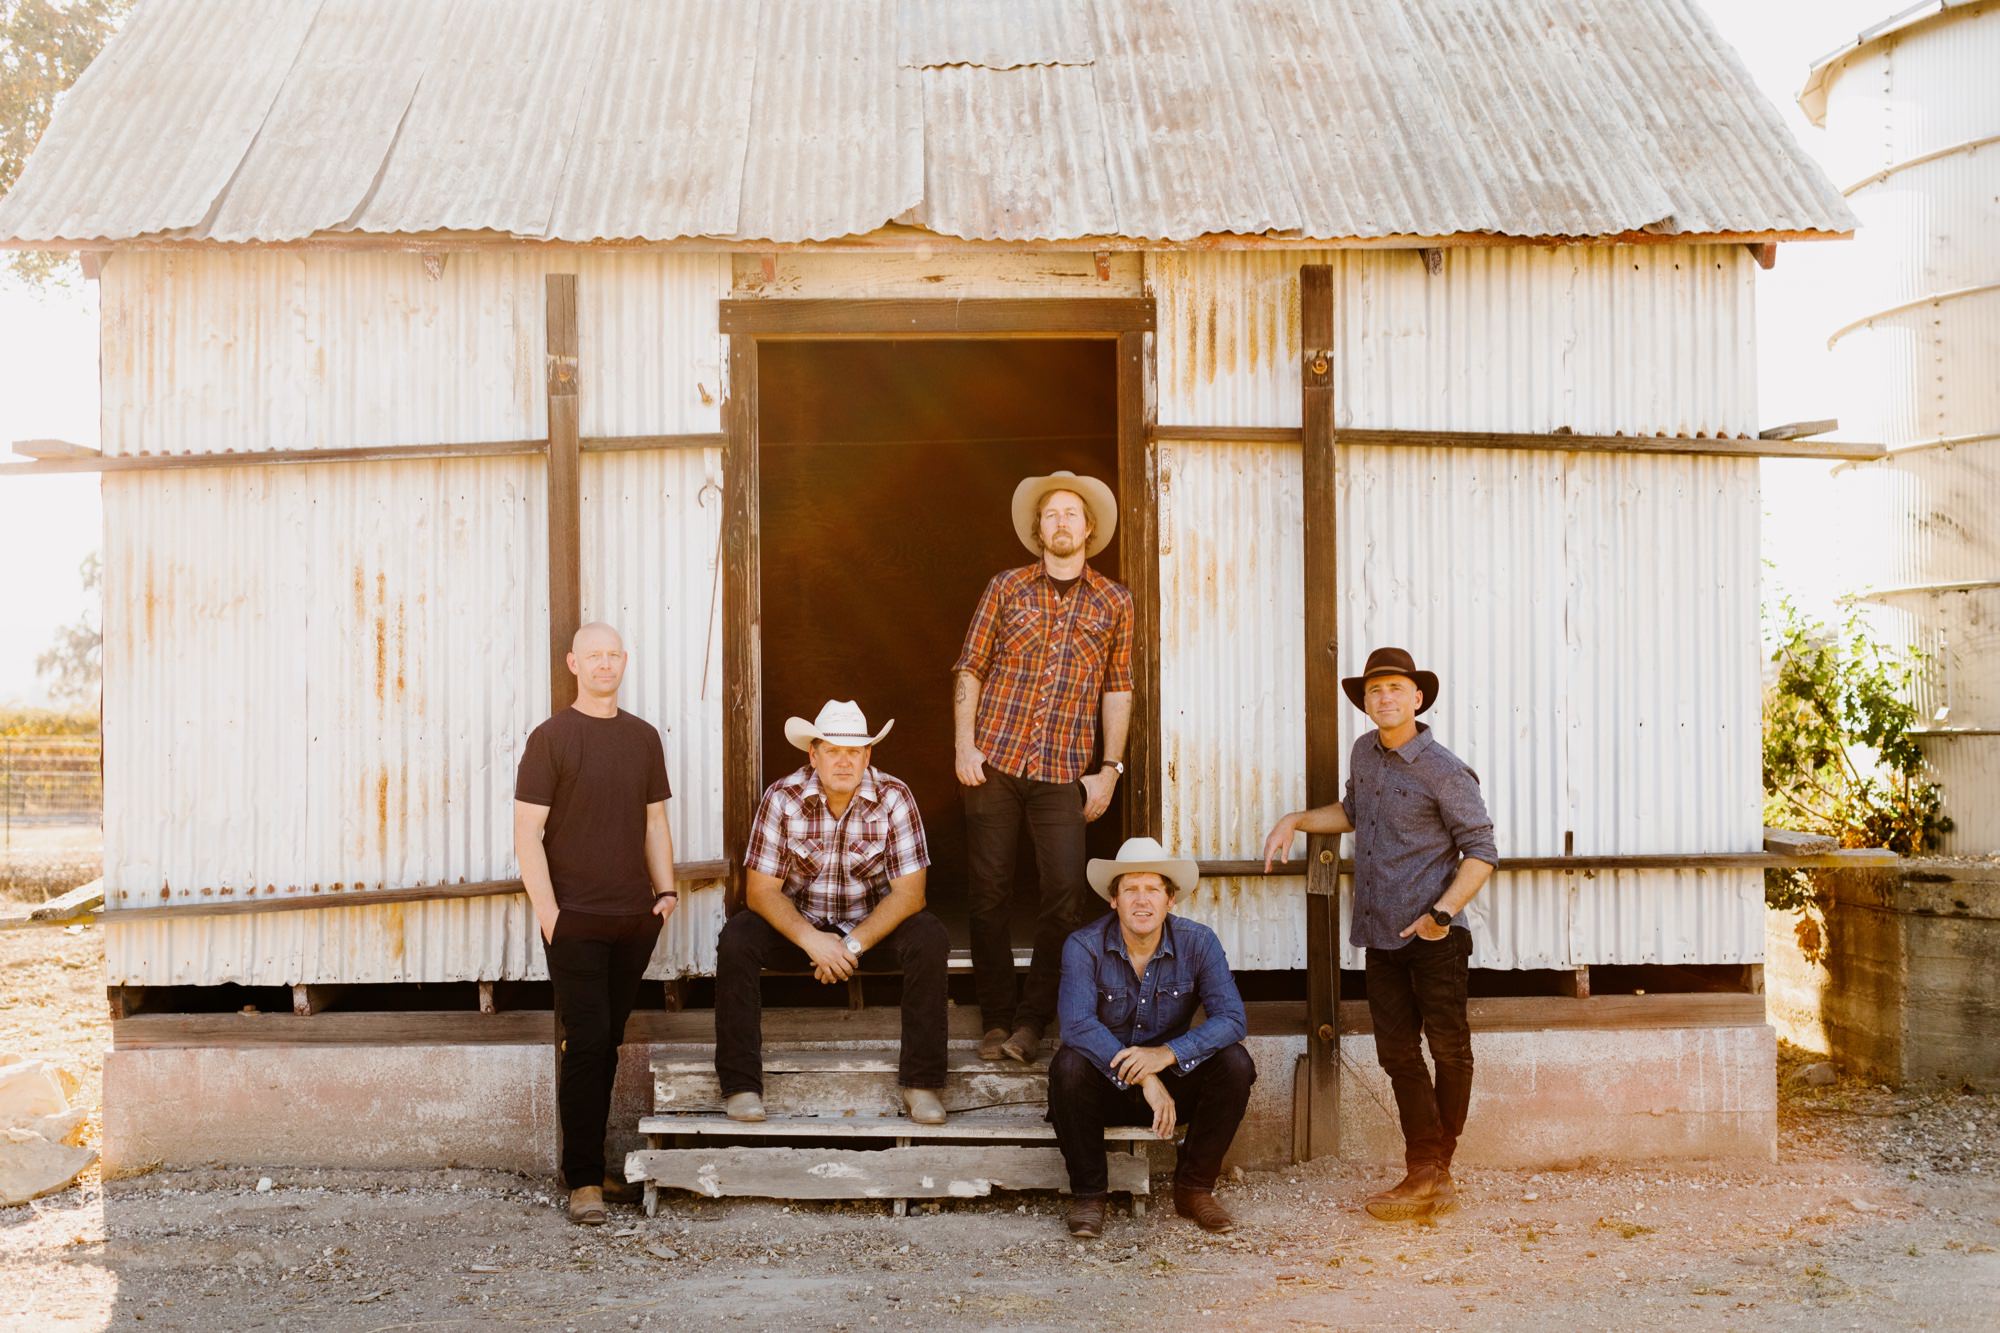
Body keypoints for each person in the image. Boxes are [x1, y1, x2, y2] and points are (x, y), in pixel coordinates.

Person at [1262, 646, 1497, 1221]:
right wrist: (1296, 818)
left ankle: (1433, 1168)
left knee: (1449, 1050)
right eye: (1374, 691)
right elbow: (1352, 811)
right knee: (1397, 1054)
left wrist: (1441, 916)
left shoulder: (1444, 768)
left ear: (1418, 699)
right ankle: (1428, 1171)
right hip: (1381, 935)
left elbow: (1482, 852)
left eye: (1395, 688)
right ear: (1365, 704)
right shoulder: (1365, 753)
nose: (1384, 698)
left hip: (1435, 938)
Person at [953, 469, 1135, 1065]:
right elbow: (970, 667)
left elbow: (1118, 687)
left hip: (1063, 769)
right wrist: (963, 746)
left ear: (1089, 529)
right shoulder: (1006, 587)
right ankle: (995, 1017)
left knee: (1063, 893)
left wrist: (1109, 768)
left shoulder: (1115, 600)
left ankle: (1033, 1020)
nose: (1061, 522)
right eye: (1051, 514)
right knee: (988, 894)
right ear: (1039, 528)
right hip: (996, 760)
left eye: (1071, 514)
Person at [714, 700, 949, 1125]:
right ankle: (741, 1085)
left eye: (854, 751)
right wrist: (813, 942)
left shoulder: (894, 797)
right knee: (738, 938)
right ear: (813, 754)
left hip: (868, 934)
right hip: (800, 934)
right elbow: (761, 892)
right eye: (833, 750)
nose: (844, 761)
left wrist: (850, 946)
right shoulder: (782, 798)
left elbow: (911, 894)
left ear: (868, 755)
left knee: (929, 936)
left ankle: (922, 1083)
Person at [514, 622, 679, 1226]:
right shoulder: (551, 738)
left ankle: (591, 1165)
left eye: (613, 655)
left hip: (634, 917)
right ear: (573, 664)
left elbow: (654, 823)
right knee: (585, 1044)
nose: (604, 665)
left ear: (624, 662)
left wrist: (664, 891)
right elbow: (527, 834)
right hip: (575, 920)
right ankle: (582, 1179)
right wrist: (551, 915)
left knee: (607, 1041)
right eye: (594, 656)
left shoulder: (641, 739)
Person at [1048, 836, 1255, 1239]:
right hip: (1107, 1091)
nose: (1142, 901)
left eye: (1152, 890)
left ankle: (1195, 1189)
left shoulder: (1199, 942)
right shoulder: (1083, 946)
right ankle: (1090, 1194)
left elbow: (1232, 1018)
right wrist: (1145, 1076)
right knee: (1069, 1064)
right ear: (1114, 900)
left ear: (1170, 899)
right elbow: (1076, 1025)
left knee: (1235, 1063)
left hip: (1172, 1092)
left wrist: (1166, 1055)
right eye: (1131, 890)